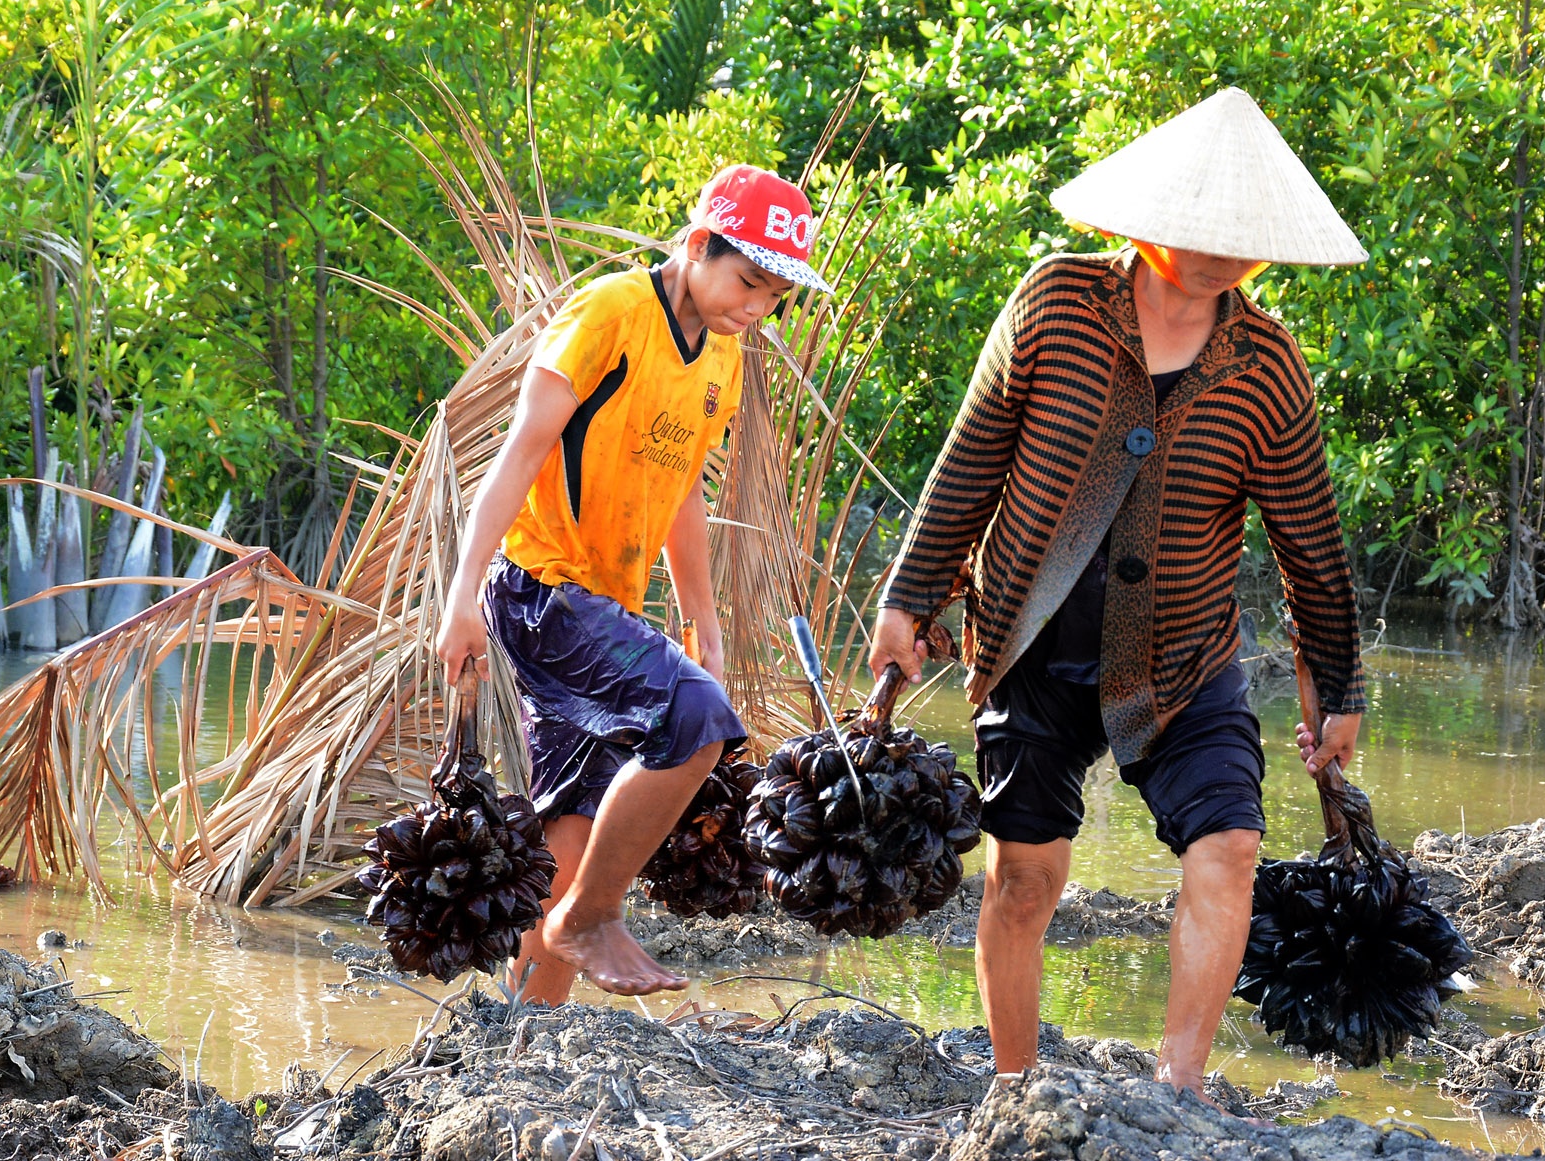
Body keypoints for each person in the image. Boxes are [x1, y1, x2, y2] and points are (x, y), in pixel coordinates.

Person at [870, 88, 1369, 1096]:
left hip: (1184, 659)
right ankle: (1016, 1087)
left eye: (1244, 235)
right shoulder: (1055, 303)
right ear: (1145, 220)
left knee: (1228, 846)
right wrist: (910, 598)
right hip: (1030, 644)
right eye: (1202, 228)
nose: (1224, 250)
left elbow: (1309, 542)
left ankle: (1177, 1088)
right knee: (1026, 880)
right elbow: (971, 459)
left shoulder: (1268, 367)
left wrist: (1340, 684)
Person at [434, 164, 829, 1001]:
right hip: (541, 590)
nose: (756, 307)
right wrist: (461, 594)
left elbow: (684, 491)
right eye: (746, 280)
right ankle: (593, 917)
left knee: (571, 833)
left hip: (603, 605)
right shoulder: (610, 313)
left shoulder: (720, 357)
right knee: (695, 718)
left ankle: (526, 1037)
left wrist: (705, 628)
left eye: (775, 298)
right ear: (697, 247)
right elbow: (518, 455)